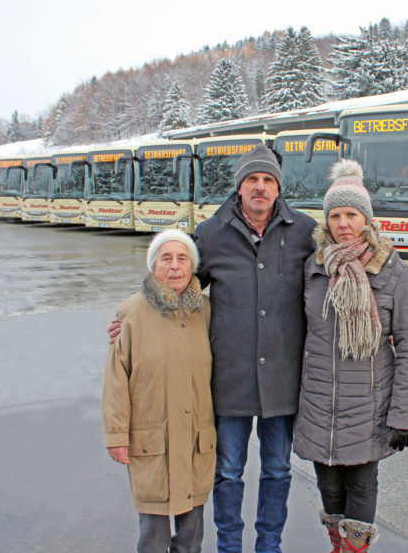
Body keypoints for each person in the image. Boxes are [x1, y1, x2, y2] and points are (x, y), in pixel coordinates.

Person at [110, 143, 317, 553]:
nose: (260, 187)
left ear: (278, 187)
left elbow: (331, 285)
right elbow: (175, 285)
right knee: (227, 471)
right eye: (252, 179)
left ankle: (269, 546)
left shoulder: (304, 233)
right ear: (239, 186)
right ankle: (229, 547)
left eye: (268, 180)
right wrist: (134, 318)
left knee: (278, 471)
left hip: (282, 379)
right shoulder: (210, 234)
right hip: (228, 380)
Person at [293, 160, 408, 553]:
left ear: (366, 218)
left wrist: (402, 416)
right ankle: (339, 546)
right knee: (329, 487)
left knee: (362, 487)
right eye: (335, 215)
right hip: (318, 403)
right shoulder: (314, 268)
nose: (343, 223)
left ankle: (354, 550)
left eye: (351, 214)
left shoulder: (393, 271)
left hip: (368, 405)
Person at [102, 229, 215, 553]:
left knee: (192, 532)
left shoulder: (206, 311)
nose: (175, 266)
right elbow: (116, 380)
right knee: (153, 535)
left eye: (182, 259)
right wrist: (116, 436)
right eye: (166, 259)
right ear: (154, 266)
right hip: (152, 440)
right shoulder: (132, 312)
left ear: (192, 266)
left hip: (196, 437)